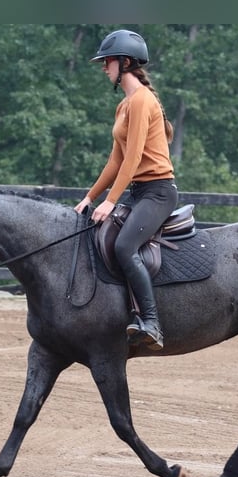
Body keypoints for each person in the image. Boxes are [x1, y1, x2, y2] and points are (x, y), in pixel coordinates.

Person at [74, 29, 178, 351]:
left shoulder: (143, 101)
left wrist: (111, 201)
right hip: (138, 191)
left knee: (123, 247)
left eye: (108, 62)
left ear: (125, 62)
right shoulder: (124, 106)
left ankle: (151, 322)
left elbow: (133, 158)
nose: (104, 68)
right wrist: (90, 198)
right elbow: (115, 162)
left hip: (158, 192)